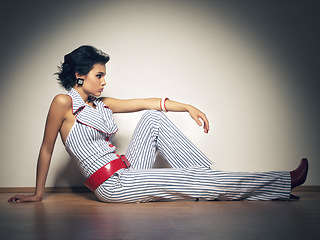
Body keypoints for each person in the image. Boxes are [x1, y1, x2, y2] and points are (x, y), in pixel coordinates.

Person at [8, 45, 308, 203]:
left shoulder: (101, 104)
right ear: (79, 75)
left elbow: (147, 103)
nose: (104, 81)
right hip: (113, 186)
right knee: (189, 180)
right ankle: (281, 181)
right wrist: (38, 194)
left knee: (153, 118)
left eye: (104, 75)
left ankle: (214, 184)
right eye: (99, 75)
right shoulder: (63, 104)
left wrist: (187, 107)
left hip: (126, 170)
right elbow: (46, 149)